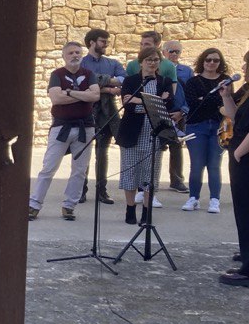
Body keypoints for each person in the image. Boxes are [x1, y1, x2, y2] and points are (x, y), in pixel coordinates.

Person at [27, 42, 100, 222]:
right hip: (62, 127)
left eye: (77, 52)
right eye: (70, 53)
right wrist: (81, 95)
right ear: (64, 56)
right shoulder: (57, 74)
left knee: (80, 170)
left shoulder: (89, 75)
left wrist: (68, 92)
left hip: (86, 127)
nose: (74, 55)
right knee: (49, 166)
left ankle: (69, 206)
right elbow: (56, 99)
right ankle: (34, 204)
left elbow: (95, 96)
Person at [118, 47, 178, 225]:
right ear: (141, 62)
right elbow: (127, 103)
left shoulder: (165, 81)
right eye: (148, 60)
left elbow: (167, 104)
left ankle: (147, 211)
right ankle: (130, 209)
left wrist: (139, 101)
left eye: (156, 60)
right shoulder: (131, 80)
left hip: (154, 133)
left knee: (150, 173)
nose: (152, 63)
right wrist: (153, 102)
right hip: (132, 132)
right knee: (130, 171)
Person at [79, 28, 126, 205]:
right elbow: (82, 83)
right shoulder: (82, 63)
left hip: (107, 112)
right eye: (102, 41)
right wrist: (107, 86)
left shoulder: (113, 62)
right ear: (92, 42)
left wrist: (96, 83)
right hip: (86, 111)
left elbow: (123, 80)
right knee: (84, 152)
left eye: (107, 41)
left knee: (102, 153)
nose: (106, 44)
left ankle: (102, 191)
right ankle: (81, 190)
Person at [183, 48, 228, 213]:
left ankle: (214, 199)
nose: (211, 63)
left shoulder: (225, 80)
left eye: (215, 60)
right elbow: (194, 104)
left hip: (218, 127)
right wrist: (215, 101)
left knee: (214, 165)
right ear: (202, 61)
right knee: (197, 164)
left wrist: (205, 100)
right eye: (208, 60)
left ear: (220, 63)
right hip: (197, 125)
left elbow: (227, 101)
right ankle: (193, 198)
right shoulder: (193, 82)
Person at [218, 52, 249, 286]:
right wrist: (227, 97)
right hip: (240, 155)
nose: (244, 68)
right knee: (242, 208)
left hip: (245, 157)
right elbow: (237, 118)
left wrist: (239, 152)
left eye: (247, 64)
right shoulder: (247, 91)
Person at [162, 41, 193, 193]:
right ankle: (150, 180)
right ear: (164, 53)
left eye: (177, 51)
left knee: (176, 147)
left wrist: (182, 112)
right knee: (156, 147)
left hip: (178, 113)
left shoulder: (186, 71)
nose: (174, 54)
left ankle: (177, 180)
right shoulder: (159, 68)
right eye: (171, 51)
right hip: (161, 112)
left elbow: (191, 93)